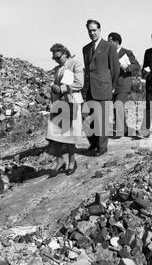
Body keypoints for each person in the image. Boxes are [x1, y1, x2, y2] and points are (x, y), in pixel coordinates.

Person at [82, 19, 120, 156]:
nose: (92, 33)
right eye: (89, 30)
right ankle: (93, 143)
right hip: (90, 89)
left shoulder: (109, 47)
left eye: (94, 30)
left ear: (99, 30)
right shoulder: (86, 49)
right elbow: (87, 69)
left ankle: (102, 147)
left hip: (104, 88)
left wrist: (112, 86)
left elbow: (115, 69)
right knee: (87, 117)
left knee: (102, 119)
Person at [46, 43, 84, 177]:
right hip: (59, 103)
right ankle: (60, 161)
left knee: (70, 135)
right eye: (54, 58)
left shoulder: (75, 63)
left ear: (65, 54)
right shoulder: (58, 69)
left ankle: (72, 162)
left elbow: (79, 83)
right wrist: (53, 88)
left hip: (72, 101)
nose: (56, 60)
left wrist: (61, 88)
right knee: (55, 134)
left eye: (58, 57)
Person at [107, 32, 141, 138]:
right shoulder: (108, 53)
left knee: (118, 104)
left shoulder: (127, 52)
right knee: (115, 107)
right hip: (113, 86)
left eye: (110, 42)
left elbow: (136, 65)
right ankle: (125, 130)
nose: (108, 44)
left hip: (124, 84)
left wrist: (127, 68)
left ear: (116, 42)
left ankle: (120, 130)